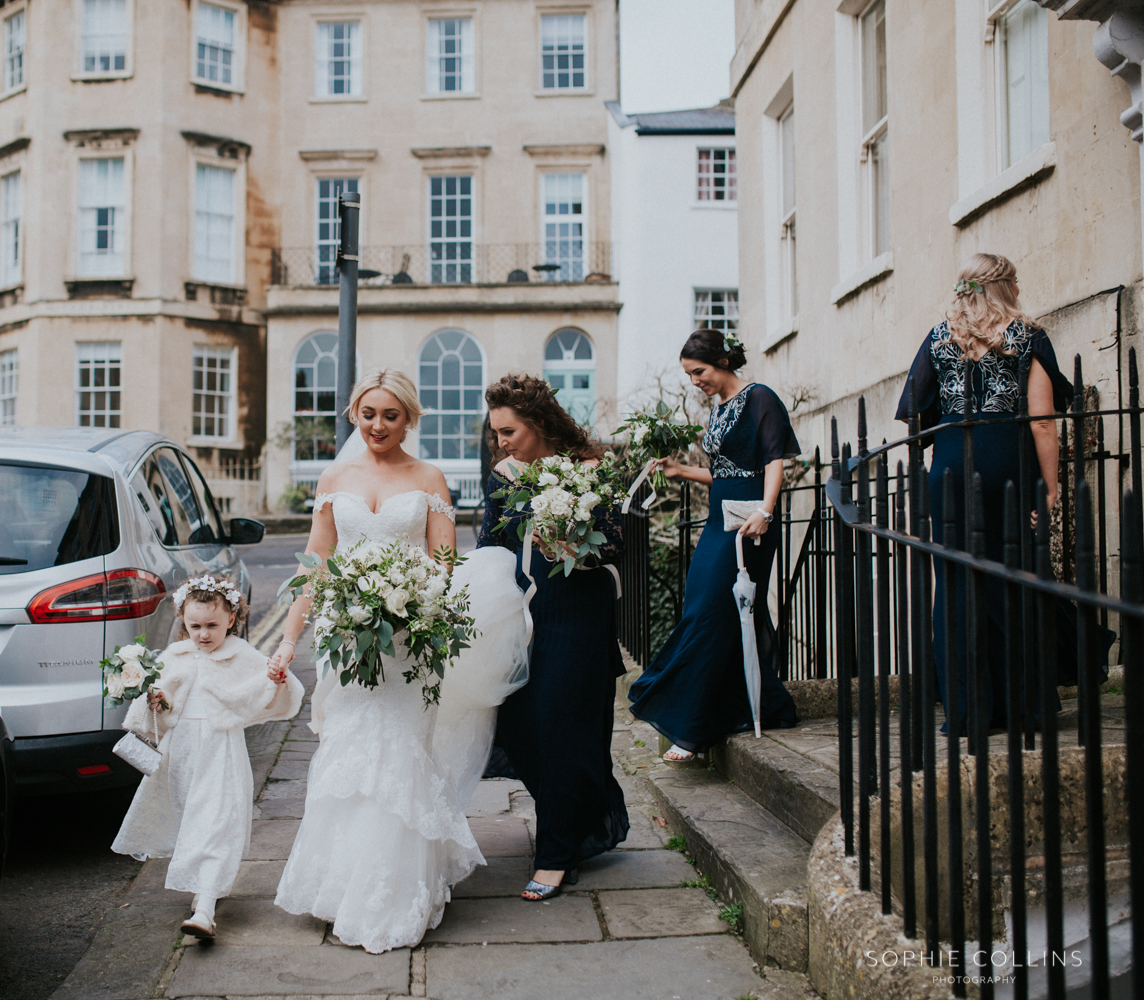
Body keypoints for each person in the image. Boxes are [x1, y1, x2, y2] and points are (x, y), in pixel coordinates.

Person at [271, 368, 529, 953]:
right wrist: (288, 641)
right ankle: (342, 887)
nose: (378, 425)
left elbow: (444, 563)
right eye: (368, 414)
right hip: (350, 640)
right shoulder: (335, 477)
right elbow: (316, 565)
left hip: (410, 645)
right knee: (351, 751)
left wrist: (417, 607)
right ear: (354, 416)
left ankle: (393, 891)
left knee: (401, 752)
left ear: (408, 418)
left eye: (390, 415)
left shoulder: (429, 477)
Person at [893, 252, 1105, 733]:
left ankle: (969, 710)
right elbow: (1044, 422)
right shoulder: (1028, 337)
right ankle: (1023, 704)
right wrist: (1050, 488)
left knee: (956, 584)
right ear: (1005, 285)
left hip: (949, 466)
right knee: (1016, 577)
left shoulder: (939, 337)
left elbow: (917, 414)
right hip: (1007, 465)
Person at [480, 373, 630, 901]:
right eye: (496, 431)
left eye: (510, 431)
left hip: (577, 611)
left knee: (564, 726)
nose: (501, 441)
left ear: (540, 423)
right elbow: (490, 541)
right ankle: (582, 817)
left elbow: (614, 544)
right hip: (522, 611)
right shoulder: (504, 474)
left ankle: (554, 854)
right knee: (519, 726)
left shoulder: (592, 468)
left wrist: (571, 545)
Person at [628, 328, 801, 759]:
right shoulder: (718, 410)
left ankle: (690, 727)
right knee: (706, 606)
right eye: (688, 375)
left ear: (723, 362)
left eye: (698, 371)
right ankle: (759, 704)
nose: (694, 382)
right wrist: (683, 471)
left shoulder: (761, 397)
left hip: (750, 524)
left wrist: (766, 510)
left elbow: (773, 459)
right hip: (718, 521)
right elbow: (724, 473)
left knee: (715, 611)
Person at [110, 575, 304, 941]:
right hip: (181, 755)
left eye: (212, 625)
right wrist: (156, 702)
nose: (202, 634)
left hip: (220, 753)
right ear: (183, 620)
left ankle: (205, 910)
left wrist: (277, 678)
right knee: (191, 820)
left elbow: (270, 690)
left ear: (231, 619)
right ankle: (204, 893)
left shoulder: (242, 656)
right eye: (194, 625)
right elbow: (161, 709)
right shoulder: (176, 656)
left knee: (217, 821)